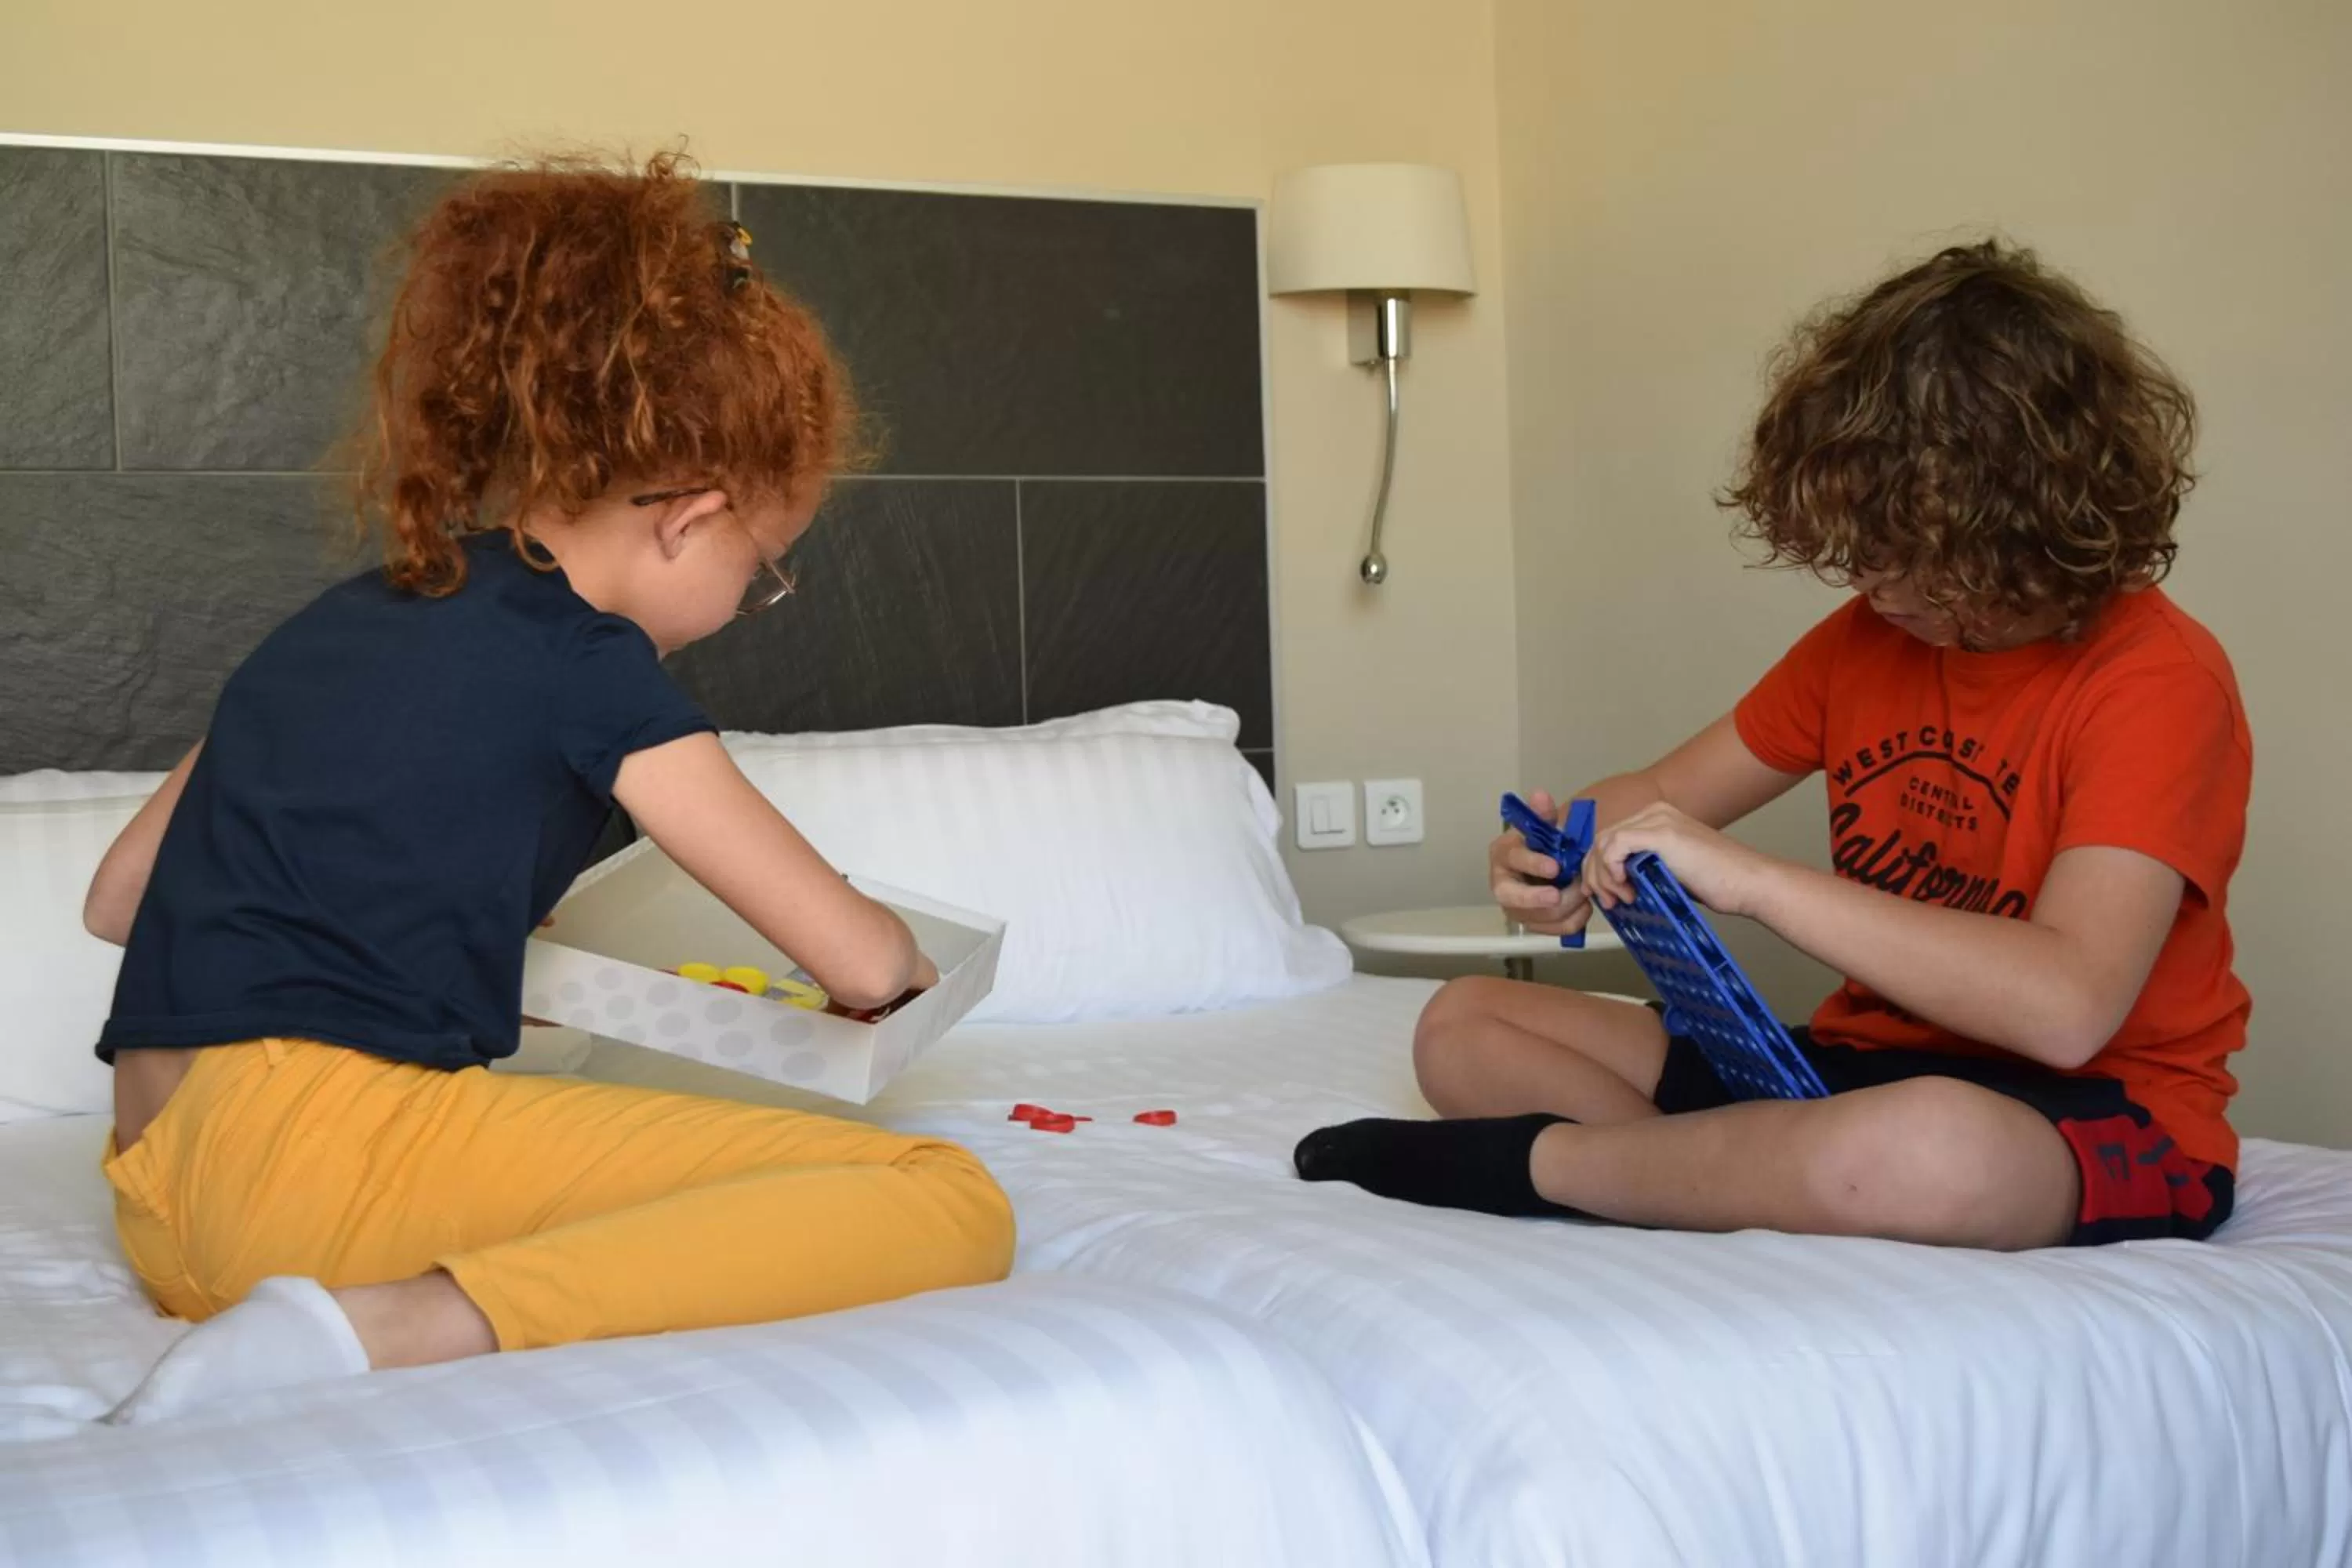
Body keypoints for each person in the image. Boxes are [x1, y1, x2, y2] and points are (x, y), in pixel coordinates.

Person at [87, 154, 1015, 1424]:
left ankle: (327, 1308)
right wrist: (908, 962)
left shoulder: (343, 615)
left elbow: (120, 897)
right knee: (945, 1196)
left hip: (156, 1195)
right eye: (765, 570)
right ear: (690, 516)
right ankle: (395, 1323)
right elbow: (858, 966)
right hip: (308, 1175)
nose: (747, 606)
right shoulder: (591, 664)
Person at [1297, 241, 2250, 1251]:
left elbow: (2066, 1009)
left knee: (1929, 1146)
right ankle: (1729, 1175)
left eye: (1904, 557)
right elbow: (1660, 792)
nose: (1871, 587)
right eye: (1862, 554)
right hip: (1846, 1076)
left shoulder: (2157, 680)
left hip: (2092, 1112)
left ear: (2017, 520)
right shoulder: (1868, 639)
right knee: (1467, 1021)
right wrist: (1558, 849)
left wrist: (1754, 881)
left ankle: (1542, 1167)